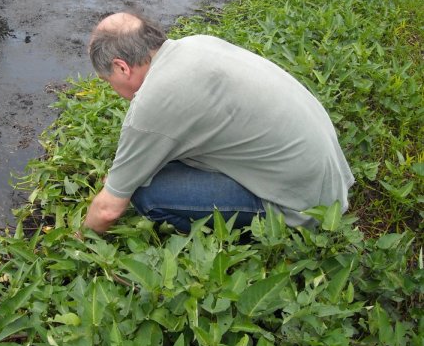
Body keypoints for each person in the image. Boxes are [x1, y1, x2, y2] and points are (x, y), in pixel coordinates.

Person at [82, 12, 354, 234]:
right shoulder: (196, 43)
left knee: (146, 194)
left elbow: (109, 209)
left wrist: (79, 241)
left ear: (121, 67)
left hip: (304, 208)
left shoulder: (155, 101)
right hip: (329, 182)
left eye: (109, 83)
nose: (115, 91)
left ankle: (225, 240)